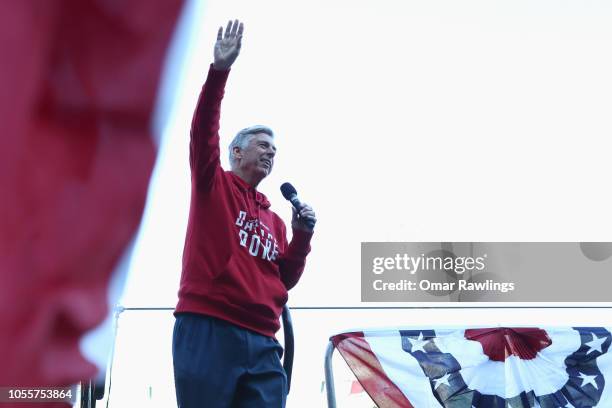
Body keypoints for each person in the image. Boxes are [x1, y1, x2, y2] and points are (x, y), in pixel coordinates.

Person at [172, 19, 316, 408]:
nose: (271, 152)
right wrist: (219, 71)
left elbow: (284, 278)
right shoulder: (212, 185)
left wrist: (301, 236)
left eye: (275, 149)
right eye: (262, 144)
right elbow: (202, 133)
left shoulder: (275, 219)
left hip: (263, 341)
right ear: (237, 152)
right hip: (208, 325)